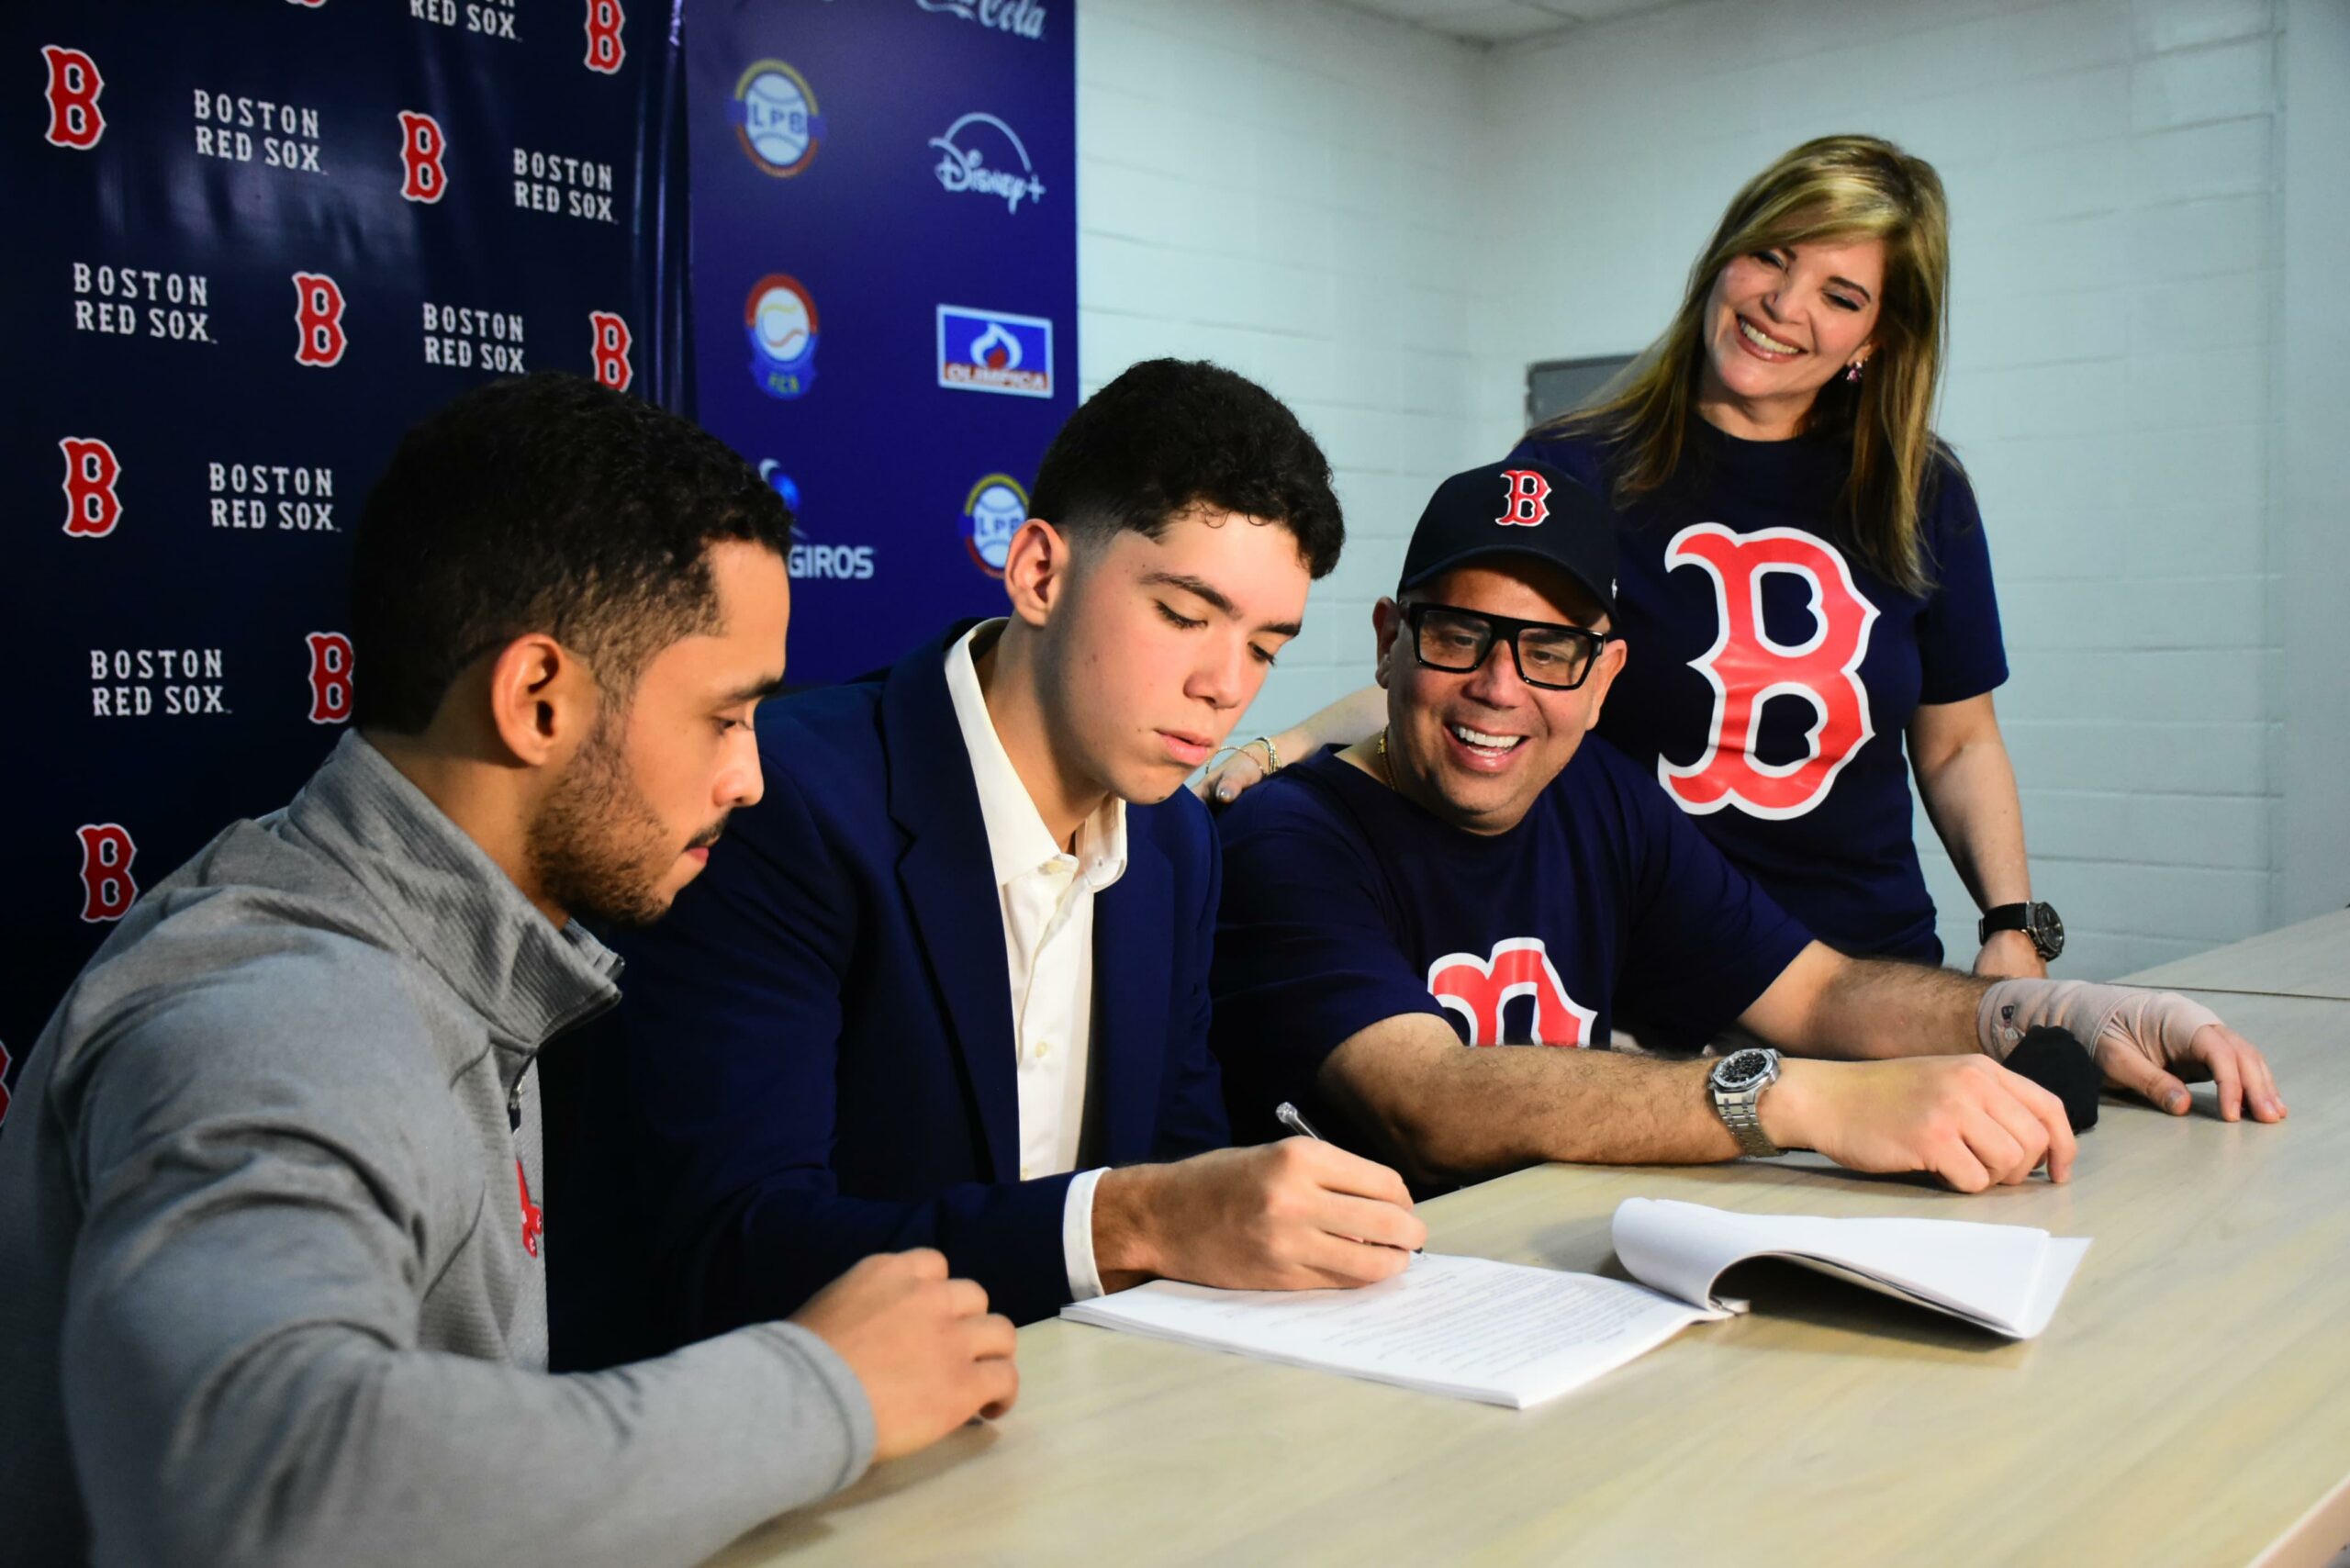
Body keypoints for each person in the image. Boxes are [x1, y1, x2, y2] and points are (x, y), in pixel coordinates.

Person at [0, 375, 1017, 1568]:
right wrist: (825, 1388)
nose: (749, 777)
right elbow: (263, 1492)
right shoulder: (281, 1016)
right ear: (538, 700)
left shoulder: (436, 949)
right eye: (726, 716)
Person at [550, 358, 1424, 1369]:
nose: (1224, 686)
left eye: (1265, 647)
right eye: (1184, 616)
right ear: (1040, 572)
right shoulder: (783, 803)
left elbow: (1182, 1170)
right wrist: (1125, 1220)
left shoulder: (1178, 843)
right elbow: (734, 1250)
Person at [1209, 460, 2284, 1196]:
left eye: (1549, 651)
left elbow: (1814, 990)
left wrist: (2045, 1010)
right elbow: (1423, 1097)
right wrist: (1807, 1100)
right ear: (1391, 641)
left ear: (1603, 678)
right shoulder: (1290, 834)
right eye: (1459, 635)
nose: (1499, 687)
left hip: (1543, 1287)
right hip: (1342, 1328)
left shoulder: (1600, 795)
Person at [1202, 134, 2061, 987]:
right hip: (1643, 975)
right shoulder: (1577, 465)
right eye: (1770, 256)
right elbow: (1476, 673)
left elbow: (1957, 743)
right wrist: (1291, 745)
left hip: (1867, 971)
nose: (1783, 305)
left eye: (1839, 295)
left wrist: (2012, 925)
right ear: (1723, 258)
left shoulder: (1920, 491)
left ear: (1878, 335)